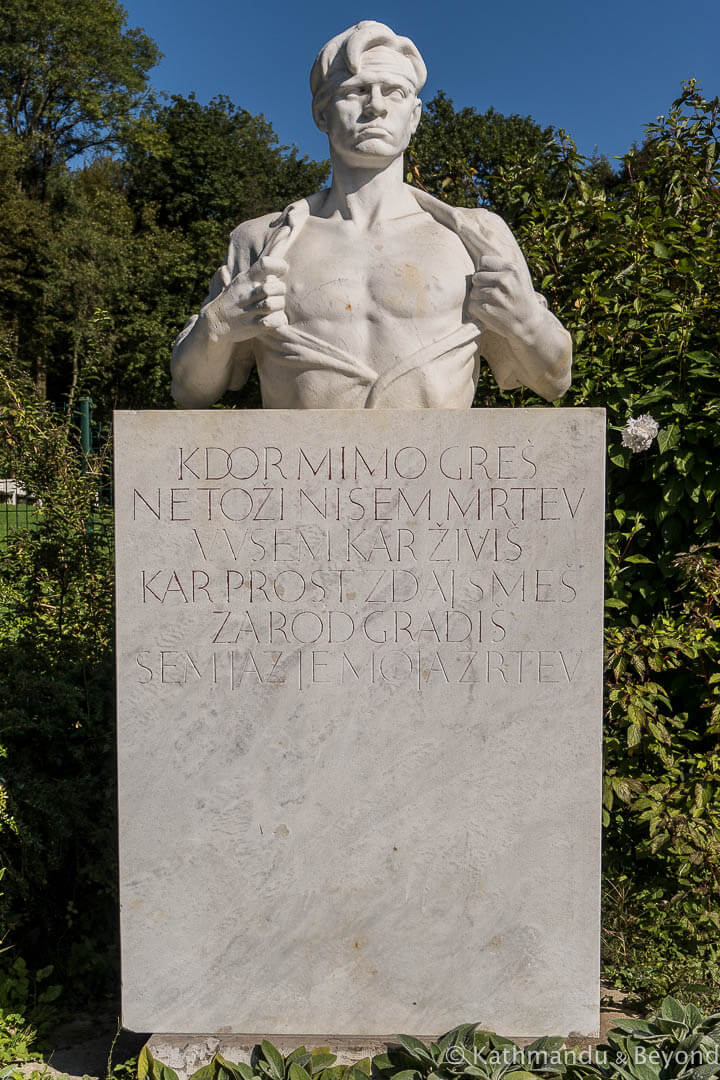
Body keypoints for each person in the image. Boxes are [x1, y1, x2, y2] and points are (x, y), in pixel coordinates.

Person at [171, 21, 572, 410]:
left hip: (438, 470)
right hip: (303, 472)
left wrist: (525, 321)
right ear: (321, 114)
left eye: (394, 92)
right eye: (356, 90)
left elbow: (554, 381)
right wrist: (218, 325)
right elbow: (191, 392)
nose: (376, 105)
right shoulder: (261, 240)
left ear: (413, 116)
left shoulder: (475, 236)